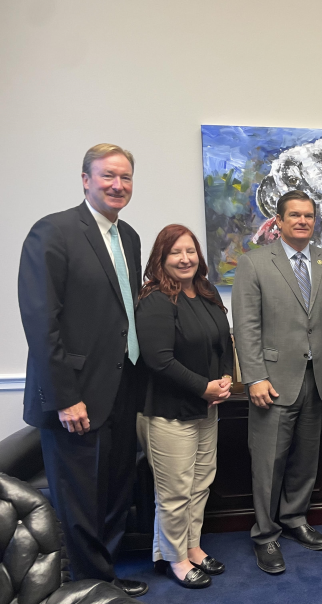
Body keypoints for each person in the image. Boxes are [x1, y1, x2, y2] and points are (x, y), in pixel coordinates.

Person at [17, 143, 148, 597]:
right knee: (80, 501)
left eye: (126, 177)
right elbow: (41, 323)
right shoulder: (53, 232)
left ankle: (104, 577)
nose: (118, 185)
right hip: (75, 395)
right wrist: (66, 396)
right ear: (86, 179)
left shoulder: (129, 237)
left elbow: (122, 315)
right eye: (108, 175)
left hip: (122, 387)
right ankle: (88, 590)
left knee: (114, 492)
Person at [232, 190, 322, 575]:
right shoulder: (254, 263)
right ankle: (265, 534)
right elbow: (246, 327)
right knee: (269, 462)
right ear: (279, 221)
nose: (302, 221)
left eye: (308, 216)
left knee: (306, 456)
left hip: (319, 379)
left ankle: (294, 518)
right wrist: (254, 376)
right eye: (295, 215)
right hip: (272, 381)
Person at [135, 225, 233, 589]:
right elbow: (158, 359)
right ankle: (173, 559)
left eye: (190, 251)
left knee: (200, 484)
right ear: (161, 258)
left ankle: (192, 547)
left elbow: (224, 343)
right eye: (175, 252)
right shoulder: (156, 299)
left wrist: (225, 378)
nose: (185, 258)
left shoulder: (207, 292)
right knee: (175, 492)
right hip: (168, 411)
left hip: (206, 408)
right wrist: (203, 388)